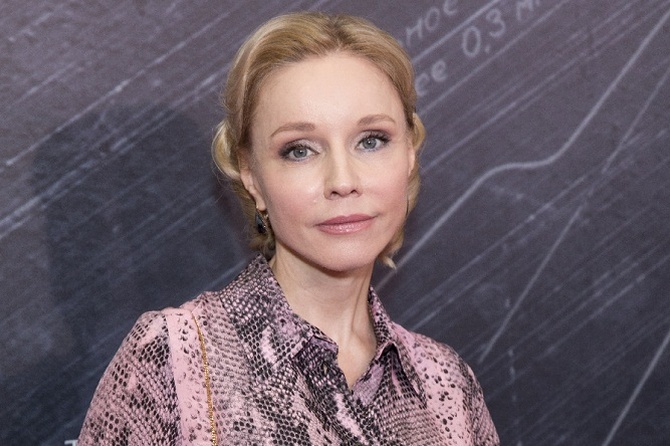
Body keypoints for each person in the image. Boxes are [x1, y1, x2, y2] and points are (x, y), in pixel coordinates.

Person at [78, 11, 499, 446]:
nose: (343, 181)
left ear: (409, 153)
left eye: (371, 140)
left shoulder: (447, 386)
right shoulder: (175, 358)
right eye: (300, 150)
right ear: (251, 175)